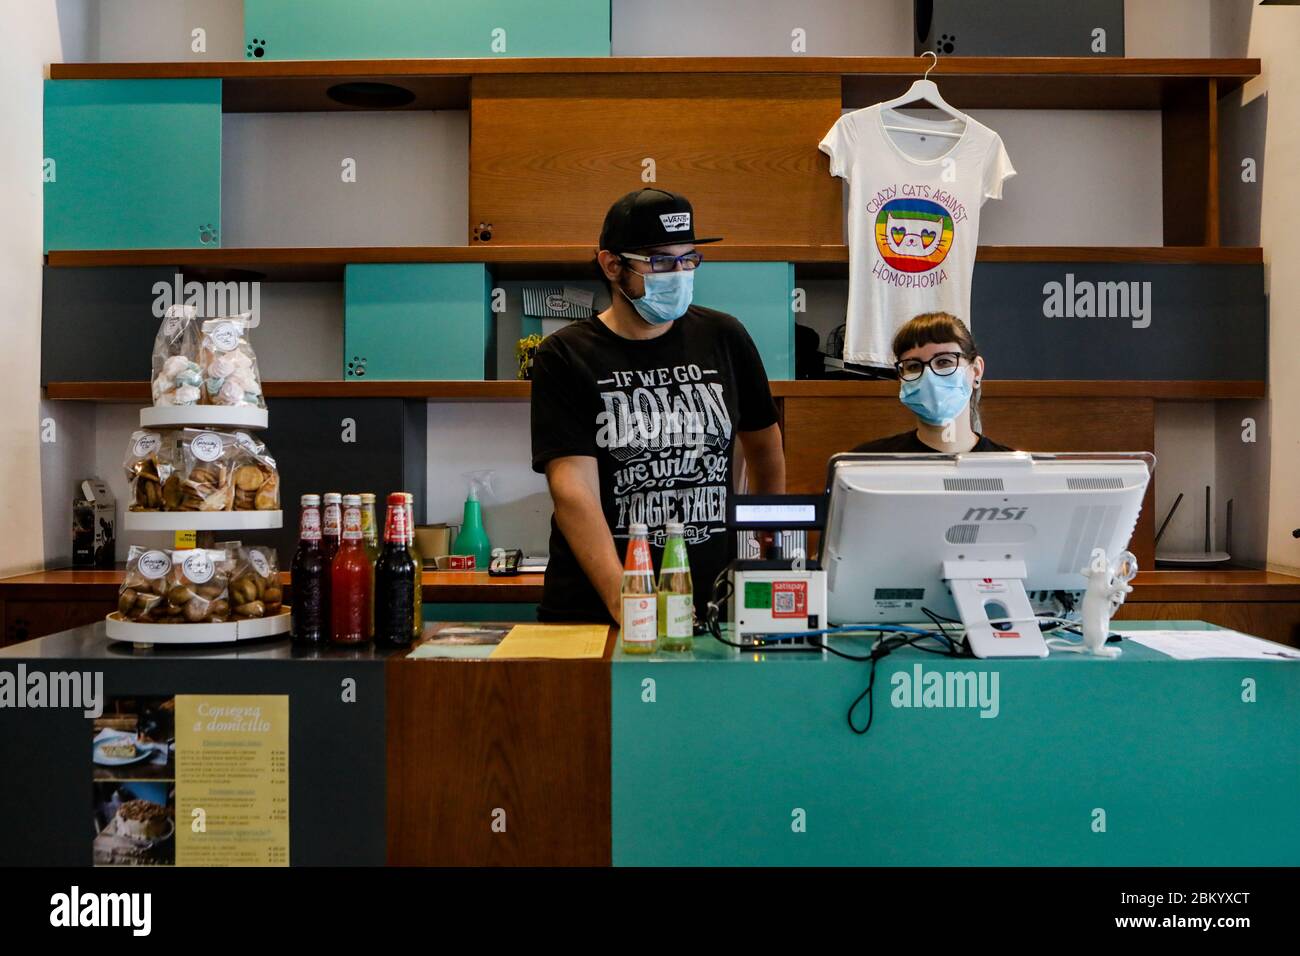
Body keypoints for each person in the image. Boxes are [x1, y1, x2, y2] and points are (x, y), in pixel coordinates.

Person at [530, 188, 786, 623]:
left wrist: (765, 537)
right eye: (662, 261)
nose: (680, 273)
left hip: (711, 601)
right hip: (597, 604)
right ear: (612, 265)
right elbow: (573, 489)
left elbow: (765, 447)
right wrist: (624, 601)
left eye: (689, 260)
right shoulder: (564, 354)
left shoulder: (725, 336)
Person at [853, 311, 1012, 453]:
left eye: (944, 362)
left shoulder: (1014, 469)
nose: (928, 376)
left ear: (976, 370)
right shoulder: (866, 464)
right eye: (914, 366)